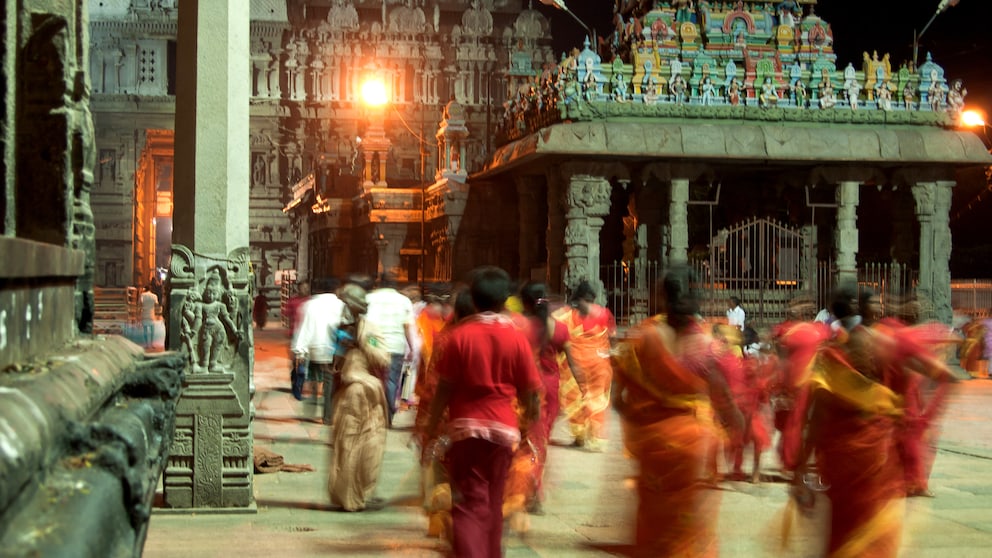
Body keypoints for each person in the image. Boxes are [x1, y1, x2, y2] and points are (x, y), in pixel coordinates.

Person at [787, 285, 955, 557]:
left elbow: (818, 415)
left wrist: (801, 464)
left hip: (841, 460)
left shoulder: (828, 354)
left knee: (844, 530)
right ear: (866, 310)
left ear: (834, 313)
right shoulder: (887, 344)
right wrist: (920, 418)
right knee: (875, 533)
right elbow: (941, 374)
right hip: (879, 456)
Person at [612, 268, 743, 557]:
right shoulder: (707, 344)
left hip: (654, 441)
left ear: (661, 296)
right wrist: (735, 422)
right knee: (692, 517)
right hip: (694, 441)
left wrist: (642, 421)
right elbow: (724, 397)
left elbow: (618, 399)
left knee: (654, 511)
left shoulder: (642, 338)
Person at [425, 267, 542, 558]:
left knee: (467, 503)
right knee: (494, 501)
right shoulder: (515, 338)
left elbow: (444, 388)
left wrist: (429, 428)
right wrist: (530, 424)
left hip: (465, 430)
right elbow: (530, 391)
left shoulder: (460, 336)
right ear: (505, 301)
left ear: (473, 301)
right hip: (503, 430)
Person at [504, 282, 574, 525]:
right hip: (550, 389)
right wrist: (582, 386)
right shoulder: (560, 327)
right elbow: (571, 360)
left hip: (522, 388)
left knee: (520, 440)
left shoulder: (516, 327)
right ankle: (533, 491)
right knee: (538, 442)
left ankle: (522, 491)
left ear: (524, 302)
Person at [326, 284, 391, 512]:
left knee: (368, 446)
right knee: (345, 445)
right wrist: (338, 357)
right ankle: (347, 497)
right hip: (347, 395)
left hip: (367, 395)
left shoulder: (369, 330)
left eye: (348, 305)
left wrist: (361, 342)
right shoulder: (342, 330)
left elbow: (383, 358)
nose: (346, 309)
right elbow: (335, 366)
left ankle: (360, 492)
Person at [555, 280, 616, 452]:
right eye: (585, 300)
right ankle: (582, 436)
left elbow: (610, 337)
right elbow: (612, 337)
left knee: (596, 401)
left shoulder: (570, 316)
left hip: (594, 367)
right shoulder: (567, 316)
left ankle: (593, 436)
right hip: (577, 366)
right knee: (577, 400)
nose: (587, 304)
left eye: (589, 300)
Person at [292, 278, 345, 423]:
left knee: (314, 378)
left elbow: (305, 328)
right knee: (329, 382)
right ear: (335, 289)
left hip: (314, 348)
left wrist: (300, 350)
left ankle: (311, 408)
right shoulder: (341, 305)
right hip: (332, 349)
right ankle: (327, 416)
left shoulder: (309, 304)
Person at [365, 275, 416, 424]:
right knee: (392, 381)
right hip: (396, 346)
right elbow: (407, 326)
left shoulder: (370, 298)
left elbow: (367, 325)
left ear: (379, 284)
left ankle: (372, 414)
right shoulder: (404, 301)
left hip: (375, 345)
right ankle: (388, 416)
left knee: (373, 379)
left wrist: (372, 345)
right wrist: (412, 347)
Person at [140, 284, 159, 349]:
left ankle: (146, 344)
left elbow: (141, 303)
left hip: (144, 313)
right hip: (151, 314)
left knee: (145, 330)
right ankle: (151, 343)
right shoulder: (154, 296)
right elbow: (156, 304)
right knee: (152, 330)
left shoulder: (142, 295)